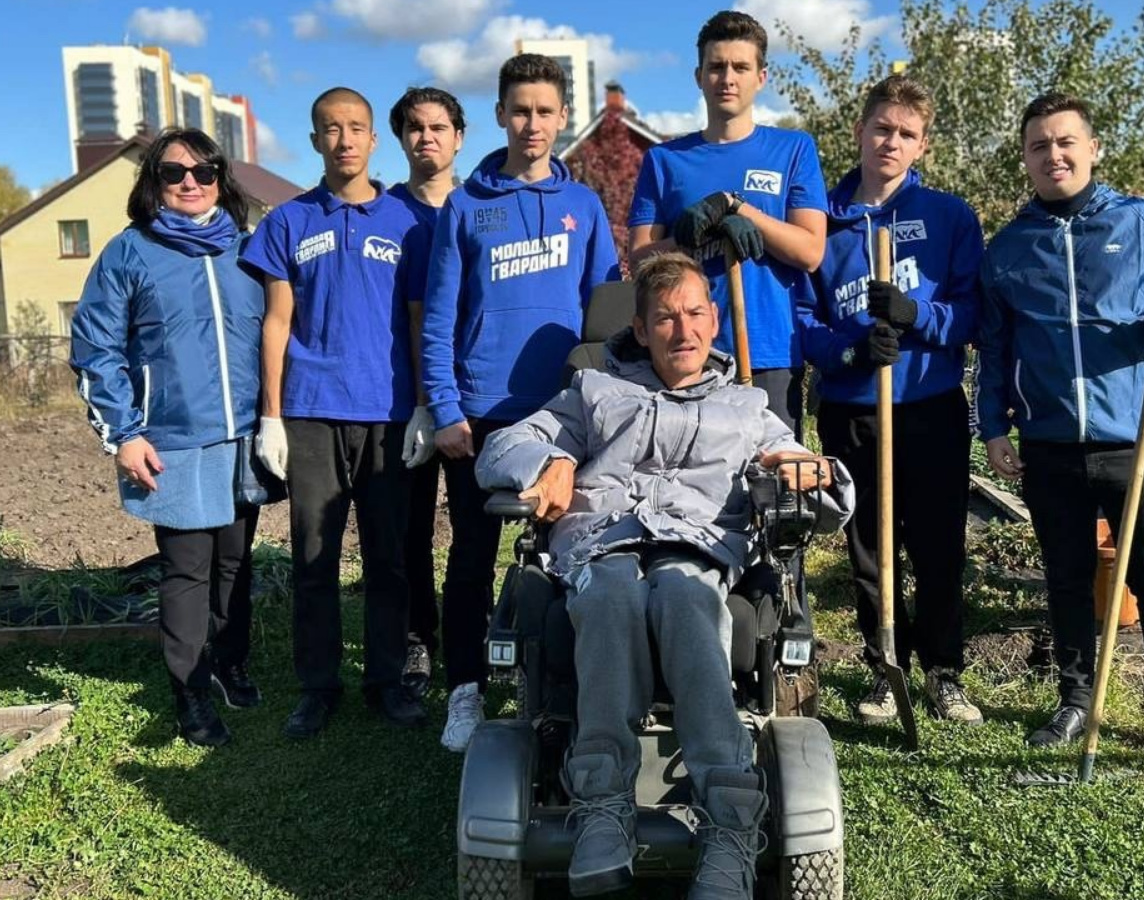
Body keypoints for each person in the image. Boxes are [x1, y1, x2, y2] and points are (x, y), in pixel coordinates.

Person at [476, 253, 854, 899]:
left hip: (697, 548)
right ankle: (602, 805)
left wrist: (807, 473)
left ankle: (731, 823)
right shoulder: (594, 393)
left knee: (684, 594)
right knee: (611, 595)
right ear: (641, 329)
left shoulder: (747, 408)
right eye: (665, 318)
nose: (683, 330)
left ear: (714, 321)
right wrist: (547, 463)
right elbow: (502, 446)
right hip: (603, 544)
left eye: (695, 314)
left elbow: (812, 476)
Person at [976, 91, 1144, 776]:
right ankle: (1073, 701)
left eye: (1066, 142)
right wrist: (994, 426)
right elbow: (995, 348)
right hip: (1049, 444)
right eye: (1039, 145)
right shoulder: (1008, 249)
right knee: (1065, 579)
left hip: (1137, 439)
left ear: (1093, 149)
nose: (1054, 155)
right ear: (1025, 158)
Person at [421, 53, 619, 752]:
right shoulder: (465, 207)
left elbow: (605, 318)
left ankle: (567, 678)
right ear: (501, 114)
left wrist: (604, 403)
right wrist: (445, 408)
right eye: (520, 110)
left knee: (572, 548)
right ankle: (465, 689)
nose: (532, 124)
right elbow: (439, 317)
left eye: (544, 111)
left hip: (565, 413)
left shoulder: (583, 207)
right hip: (482, 414)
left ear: (562, 117)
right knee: (471, 558)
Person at [69, 128, 268, 748]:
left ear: (221, 180)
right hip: (172, 440)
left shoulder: (248, 250)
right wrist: (124, 434)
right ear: (153, 182)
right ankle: (190, 692)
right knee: (187, 569)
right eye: (174, 172)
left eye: (204, 172)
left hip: (244, 436)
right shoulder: (129, 252)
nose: (190, 182)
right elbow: (95, 349)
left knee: (235, 561)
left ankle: (231, 661)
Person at [241, 87, 430, 737]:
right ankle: (318, 686)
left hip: (388, 414)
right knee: (314, 560)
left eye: (355, 128)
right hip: (310, 412)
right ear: (315, 139)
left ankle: (387, 680)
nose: (344, 140)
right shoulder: (288, 223)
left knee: (389, 558)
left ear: (374, 139)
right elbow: (275, 322)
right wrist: (270, 416)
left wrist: (425, 406)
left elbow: (418, 320)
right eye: (330, 128)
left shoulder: (407, 223)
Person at [797, 75, 985, 726]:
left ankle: (944, 673)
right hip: (853, 411)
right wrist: (849, 351)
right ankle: (885, 669)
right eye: (882, 128)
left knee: (938, 546)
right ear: (860, 131)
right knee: (870, 550)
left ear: (922, 145)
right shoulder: (822, 222)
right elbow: (804, 320)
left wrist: (915, 315)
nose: (891, 142)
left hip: (930, 406)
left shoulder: (949, 217)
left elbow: (972, 316)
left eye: (907, 134)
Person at [627, 9, 827, 433]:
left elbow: (810, 251)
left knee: (773, 473)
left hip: (769, 351)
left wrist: (735, 208)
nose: (727, 78)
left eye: (740, 67)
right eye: (717, 67)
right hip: (688, 354)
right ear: (698, 76)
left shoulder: (793, 150)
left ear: (762, 77)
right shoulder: (664, 161)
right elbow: (640, 260)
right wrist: (686, 238)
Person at [386, 85, 467, 701]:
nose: (426, 137)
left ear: (459, 137)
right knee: (409, 530)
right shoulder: (385, 215)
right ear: (400, 137)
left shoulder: (480, 208)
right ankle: (417, 639)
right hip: (403, 400)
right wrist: (419, 401)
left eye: (438, 127)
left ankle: (478, 632)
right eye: (415, 127)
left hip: (469, 396)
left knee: (475, 531)